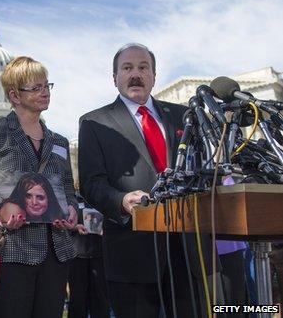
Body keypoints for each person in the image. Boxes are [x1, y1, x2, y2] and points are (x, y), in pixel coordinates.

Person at [78, 43, 213, 317]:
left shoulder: (184, 116)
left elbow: (201, 168)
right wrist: (121, 201)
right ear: (114, 77)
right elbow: (91, 183)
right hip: (132, 250)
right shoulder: (95, 123)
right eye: (127, 68)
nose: (135, 74)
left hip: (187, 250)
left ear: (154, 75)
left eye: (143, 67)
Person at [0, 56, 77, 318]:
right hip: (12, 250)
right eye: (35, 88)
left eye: (46, 85)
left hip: (56, 252)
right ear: (14, 95)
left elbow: (68, 187)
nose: (44, 92)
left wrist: (71, 209)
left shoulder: (58, 141)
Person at [67, 194, 110, 318]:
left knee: (101, 298)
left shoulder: (101, 197)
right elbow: (62, 223)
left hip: (100, 254)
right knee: (77, 298)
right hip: (77, 255)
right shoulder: (72, 199)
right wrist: (74, 227)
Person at [1, 172, 66, 223]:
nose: (34, 202)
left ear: (49, 199)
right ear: (21, 196)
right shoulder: (13, 209)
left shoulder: (59, 218)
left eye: (40, 197)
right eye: (28, 196)